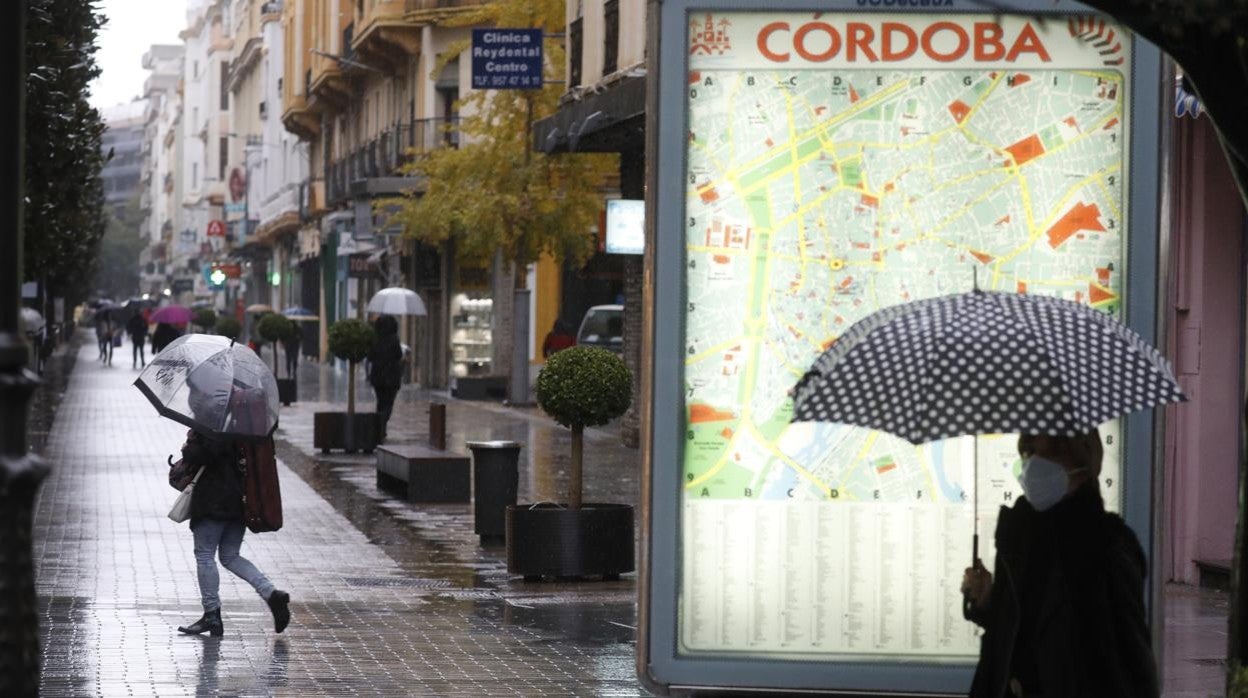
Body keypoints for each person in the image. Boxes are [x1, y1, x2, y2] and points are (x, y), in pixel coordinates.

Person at [961, 428, 1158, 698]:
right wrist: (989, 602)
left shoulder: (1107, 547)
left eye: (1049, 454)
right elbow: (1017, 631)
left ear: (1082, 462)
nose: (1032, 465)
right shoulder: (1018, 535)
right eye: (1028, 453)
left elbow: (1132, 666)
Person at [176, 386, 290, 637]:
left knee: (205, 555)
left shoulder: (214, 423)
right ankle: (271, 594)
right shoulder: (242, 420)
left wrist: (188, 445)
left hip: (214, 500)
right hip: (239, 500)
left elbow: (203, 454)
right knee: (230, 556)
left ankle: (212, 615)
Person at [367, 315, 403, 444]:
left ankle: (379, 428)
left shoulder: (375, 339)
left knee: (380, 402)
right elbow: (399, 355)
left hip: (377, 376)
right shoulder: (394, 339)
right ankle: (382, 426)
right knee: (388, 404)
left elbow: (370, 357)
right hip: (391, 376)